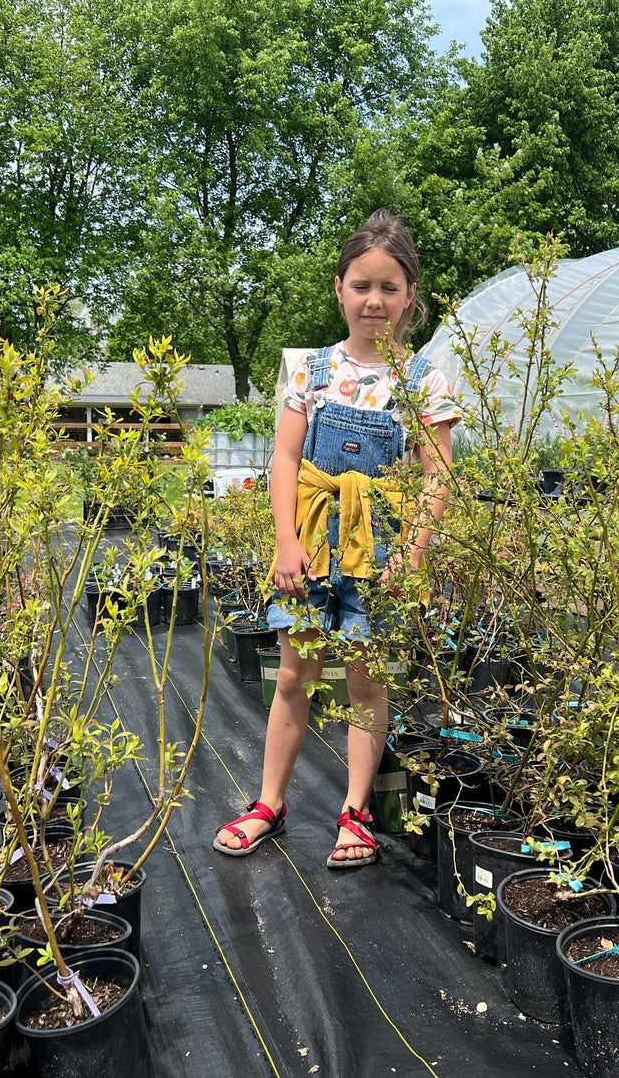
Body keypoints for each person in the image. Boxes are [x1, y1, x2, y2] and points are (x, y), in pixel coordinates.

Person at [213, 209, 458, 869]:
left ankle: (354, 812)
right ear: (339, 289)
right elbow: (285, 461)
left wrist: (412, 553)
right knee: (293, 672)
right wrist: (285, 541)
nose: (373, 300)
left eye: (388, 287)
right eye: (361, 285)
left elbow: (439, 476)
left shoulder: (421, 381)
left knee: (365, 680)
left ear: (409, 296)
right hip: (312, 543)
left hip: (379, 549)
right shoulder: (310, 370)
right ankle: (269, 802)